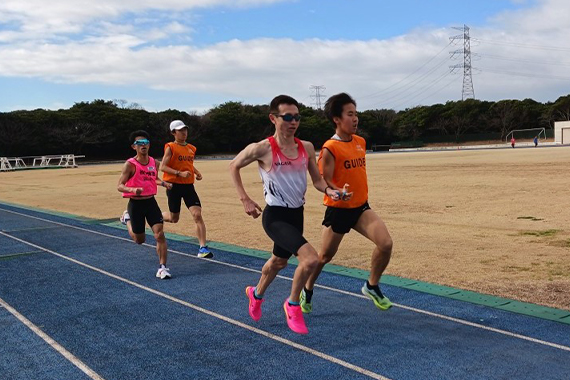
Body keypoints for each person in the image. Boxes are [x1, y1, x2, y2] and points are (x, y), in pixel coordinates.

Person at [229, 95, 343, 334]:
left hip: (296, 215)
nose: (293, 122)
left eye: (297, 117)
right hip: (275, 216)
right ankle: (292, 305)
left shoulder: (307, 147)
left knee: (279, 261)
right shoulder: (262, 148)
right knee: (310, 259)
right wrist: (245, 199)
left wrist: (331, 191)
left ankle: (256, 293)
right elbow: (234, 165)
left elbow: (317, 181)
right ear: (273, 118)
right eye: (288, 117)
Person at [300, 92, 393, 314]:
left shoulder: (360, 141)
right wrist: (335, 192)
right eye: (350, 114)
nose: (355, 119)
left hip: (361, 208)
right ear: (337, 119)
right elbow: (323, 179)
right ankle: (307, 288)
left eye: (356, 114)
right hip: (338, 210)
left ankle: (371, 286)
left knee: (386, 243)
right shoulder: (329, 148)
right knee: (324, 257)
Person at [118, 130, 173, 279]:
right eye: (139, 143)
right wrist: (132, 189)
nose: (143, 146)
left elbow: (153, 178)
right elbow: (120, 185)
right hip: (135, 205)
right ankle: (127, 219)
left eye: (146, 143)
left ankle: (163, 268)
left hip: (150, 202)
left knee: (159, 234)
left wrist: (163, 183)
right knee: (139, 240)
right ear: (133, 146)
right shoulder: (130, 164)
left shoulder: (154, 162)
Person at [160, 120, 212, 258]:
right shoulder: (170, 147)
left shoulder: (191, 148)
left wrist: (196, 171)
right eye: (180, 130)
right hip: (173, 186)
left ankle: (202, 248)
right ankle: (155, 216)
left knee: (197, 215)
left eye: (185, 130)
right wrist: (179, 173)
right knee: (173, 218)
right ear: (173, 133)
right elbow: (163, 167)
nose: (184, 132)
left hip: (188, 186)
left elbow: (187, 163)